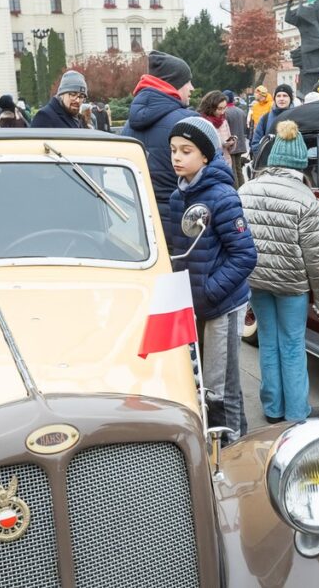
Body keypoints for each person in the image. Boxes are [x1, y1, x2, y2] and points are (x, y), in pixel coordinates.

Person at [167, 116, 256, 443]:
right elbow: (180, 250)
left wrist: (210, 291)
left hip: (222, 305)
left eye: (186, 151)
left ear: (205, 155)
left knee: (223, 386)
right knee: (198, 379)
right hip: (193, 306)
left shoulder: (222, 195)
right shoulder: (178, 197)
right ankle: (211, 443)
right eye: (174, 150)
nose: (177, 157)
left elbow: (245, 254)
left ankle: (234, 448)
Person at [239, 119, 319, 423]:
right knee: (292, 344)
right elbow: (316, 256)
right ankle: (296, 411)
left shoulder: (247, 190)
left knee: (268, 339)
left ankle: (272, 408)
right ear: (301, 162)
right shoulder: (306, 199)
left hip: (257, 279)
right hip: (292, 285)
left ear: (275, 157)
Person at [123, 50, 195, 227]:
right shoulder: (189, 122)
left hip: (144, 223)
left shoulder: (126, 128)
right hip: (185, 225)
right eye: (187, 82)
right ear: (175, 84)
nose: (192, 88)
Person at [250, 84, 295, 155]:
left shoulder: (297, 116)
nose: (281, 99)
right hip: (269, 163)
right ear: (275, 98)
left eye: (285, 96)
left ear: (291, 98)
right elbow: (256, 143)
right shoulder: (265, 118)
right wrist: (264, 159)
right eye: (278, 96)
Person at [223, 90, 249, 186]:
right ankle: (242, 189)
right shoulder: (241, 111)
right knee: (239, 170)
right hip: (241, 143)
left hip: (232, 145)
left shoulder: (225, 113)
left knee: (233, 170)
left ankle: (237, 191)